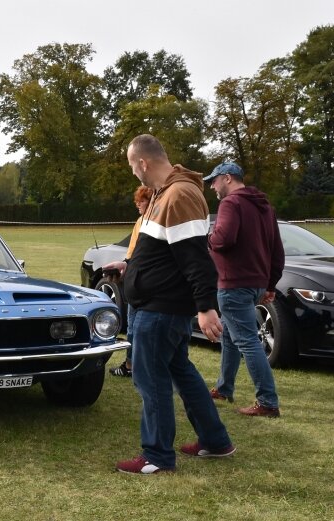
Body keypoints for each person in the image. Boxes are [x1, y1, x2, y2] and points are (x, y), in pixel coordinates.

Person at [109, 134, 235, 474]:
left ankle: (157, 457)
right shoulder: (164, 193)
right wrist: (129, 267)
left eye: (132, 167)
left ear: (143, 163)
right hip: (158, 307)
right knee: (182, 373)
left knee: (151, 382)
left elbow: (195, 257)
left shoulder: (179, 194)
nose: (134, 174)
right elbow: (164, 251)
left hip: (160, 310)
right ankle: (215, 440)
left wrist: (206, 306)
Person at [205, 162, 284, 418]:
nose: (212, 186)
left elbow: (224, 238)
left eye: (214, 180)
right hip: (255, 283)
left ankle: (268, 402)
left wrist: (207, 237)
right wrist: (270, 284)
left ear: (227, 178)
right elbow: (276, 250)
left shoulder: (230, 204)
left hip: (234, 283)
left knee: (248, 341)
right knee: (230, 335)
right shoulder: (265, 207)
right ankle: (224, 388)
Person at [108, 185, 154, 378]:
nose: (137, 204)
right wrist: (125, 264)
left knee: (138, 329)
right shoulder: (140, 221)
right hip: (135, 280)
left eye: (141, 200)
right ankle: (130, 364)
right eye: (137, 200)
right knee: (133, 327)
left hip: (146, 284)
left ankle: (135, 366)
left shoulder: (154, 224)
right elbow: (133, 252)